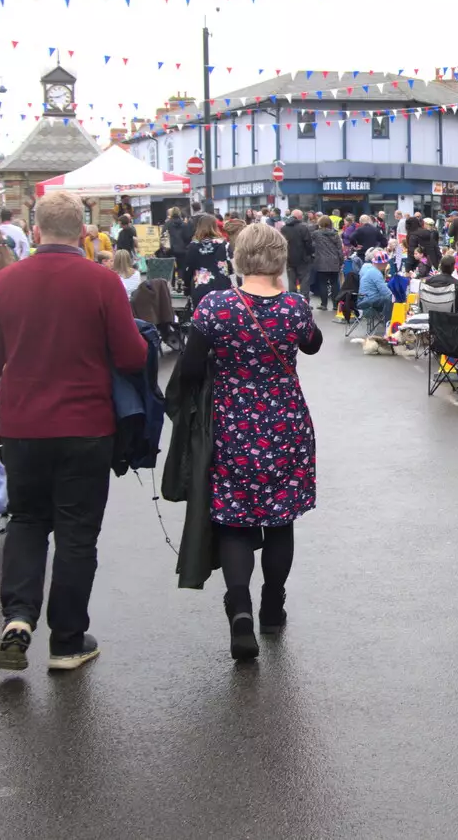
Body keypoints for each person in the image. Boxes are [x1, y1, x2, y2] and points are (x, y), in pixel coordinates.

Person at [0, 190, 150, 672]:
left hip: (24, 427)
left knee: (27, 521)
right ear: (85, 232)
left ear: (35, 230)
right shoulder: (102, 281)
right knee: (76, 534)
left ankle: (18, 619)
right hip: (87, 427)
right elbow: (132, 357)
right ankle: (67, 640)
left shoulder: (5, 283)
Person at [172, 224, 321, 659]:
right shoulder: (294, 306)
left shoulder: (215, 306)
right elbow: (312, 345)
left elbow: (191, 368)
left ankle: (240, 612)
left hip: (233, 425)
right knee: (280, 520)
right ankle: (272, 607)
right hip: (286, 427)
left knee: (235, 522)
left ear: (238, 258)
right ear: (278, 259)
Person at [182, 214, 233, 308]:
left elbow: (187, 269)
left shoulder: (193, 246)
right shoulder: (224, 245)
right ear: (215, 226)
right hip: (222, 287)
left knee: (201, 318)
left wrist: (186, 287)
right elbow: (231, 268)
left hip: (200, 286)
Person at [309, 214, 345, 312]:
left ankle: (324, 304)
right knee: (335, 284)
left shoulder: (316, 234)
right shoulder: (335, 234)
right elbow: (339, 250)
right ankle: (335, 305)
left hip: (321, 262)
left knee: (322, 284)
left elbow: (311, 245)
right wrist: (341, 261)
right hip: (334, 262)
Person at [356, 248, 393, 325]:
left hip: (364, 298)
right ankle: (388, 324)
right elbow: (385, 292)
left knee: (389, 299)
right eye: (386, 263)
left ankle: (388, 322)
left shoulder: (371, 270)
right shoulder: (376, 273)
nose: (387, 264)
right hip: (368, 300)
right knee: (391, 300)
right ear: (382, 263)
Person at [282, 209, 314, 297]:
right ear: (299, 217)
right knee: (304, 281)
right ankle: (304, 301)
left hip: (289, 258)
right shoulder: (303, 227)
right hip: (303, 259)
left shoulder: (284, 228)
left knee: (291, 281)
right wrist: (310, 254)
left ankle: (292, 300)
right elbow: (308, 243)